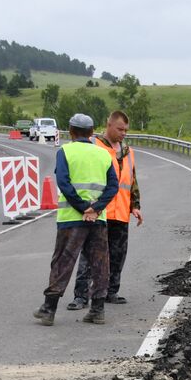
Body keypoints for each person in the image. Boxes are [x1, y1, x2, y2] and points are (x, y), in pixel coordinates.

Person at [34, 113, 118, 326]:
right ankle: (97, 310)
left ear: (70, 132)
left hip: (71, 218)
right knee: (100, 263)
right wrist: (96, 209)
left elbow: (63, 183)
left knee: (63, 261)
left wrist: (82, 208)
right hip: (98, 220)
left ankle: (48, 309)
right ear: (92, 133)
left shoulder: (65, 151)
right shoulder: (103, 154)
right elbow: (112, 187)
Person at [71, 110, 142, 310]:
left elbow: (132, 180)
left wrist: (135, 206)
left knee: (118, 255)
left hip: (120, 212)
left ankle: (112, 291)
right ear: (108, 125)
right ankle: (81, 296)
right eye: (120, 129)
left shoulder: (128, 151)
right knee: (90, 256)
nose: (123, 133)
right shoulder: (94, 146)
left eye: (126, 130)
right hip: (99, 211)